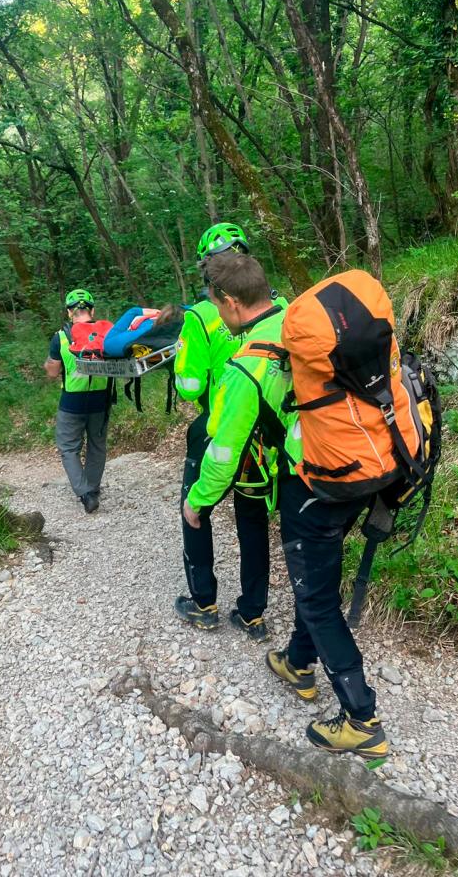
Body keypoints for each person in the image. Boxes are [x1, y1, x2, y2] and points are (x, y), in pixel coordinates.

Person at [183, 253, 389, 759]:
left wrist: (196, 503)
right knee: (316, 578)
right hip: (367, 462)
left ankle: (362, 719)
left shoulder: (244, 367)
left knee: (316, 601)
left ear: (230, 303)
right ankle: (298, 664)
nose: (216, 312)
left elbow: (224, 453)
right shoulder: (296, 320)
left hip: (314, 484)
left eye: (216, 304)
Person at [173, 223, 272, 639]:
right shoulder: (278, 307)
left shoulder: (200, 315)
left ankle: (203, 603)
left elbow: (190, 386)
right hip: (263, 435)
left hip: (216, 427)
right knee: (253, 521)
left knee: (195, 512)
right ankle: (252, 613)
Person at [45, 288, 111, 514]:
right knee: (97, 445)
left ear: (69, 312)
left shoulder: (61, 337)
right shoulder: (106, 334)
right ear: (92, 310)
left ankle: (85, 493)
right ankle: (92, 488)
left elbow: (52, 372)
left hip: (72, 402)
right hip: (100, 399)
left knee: (68, 448)